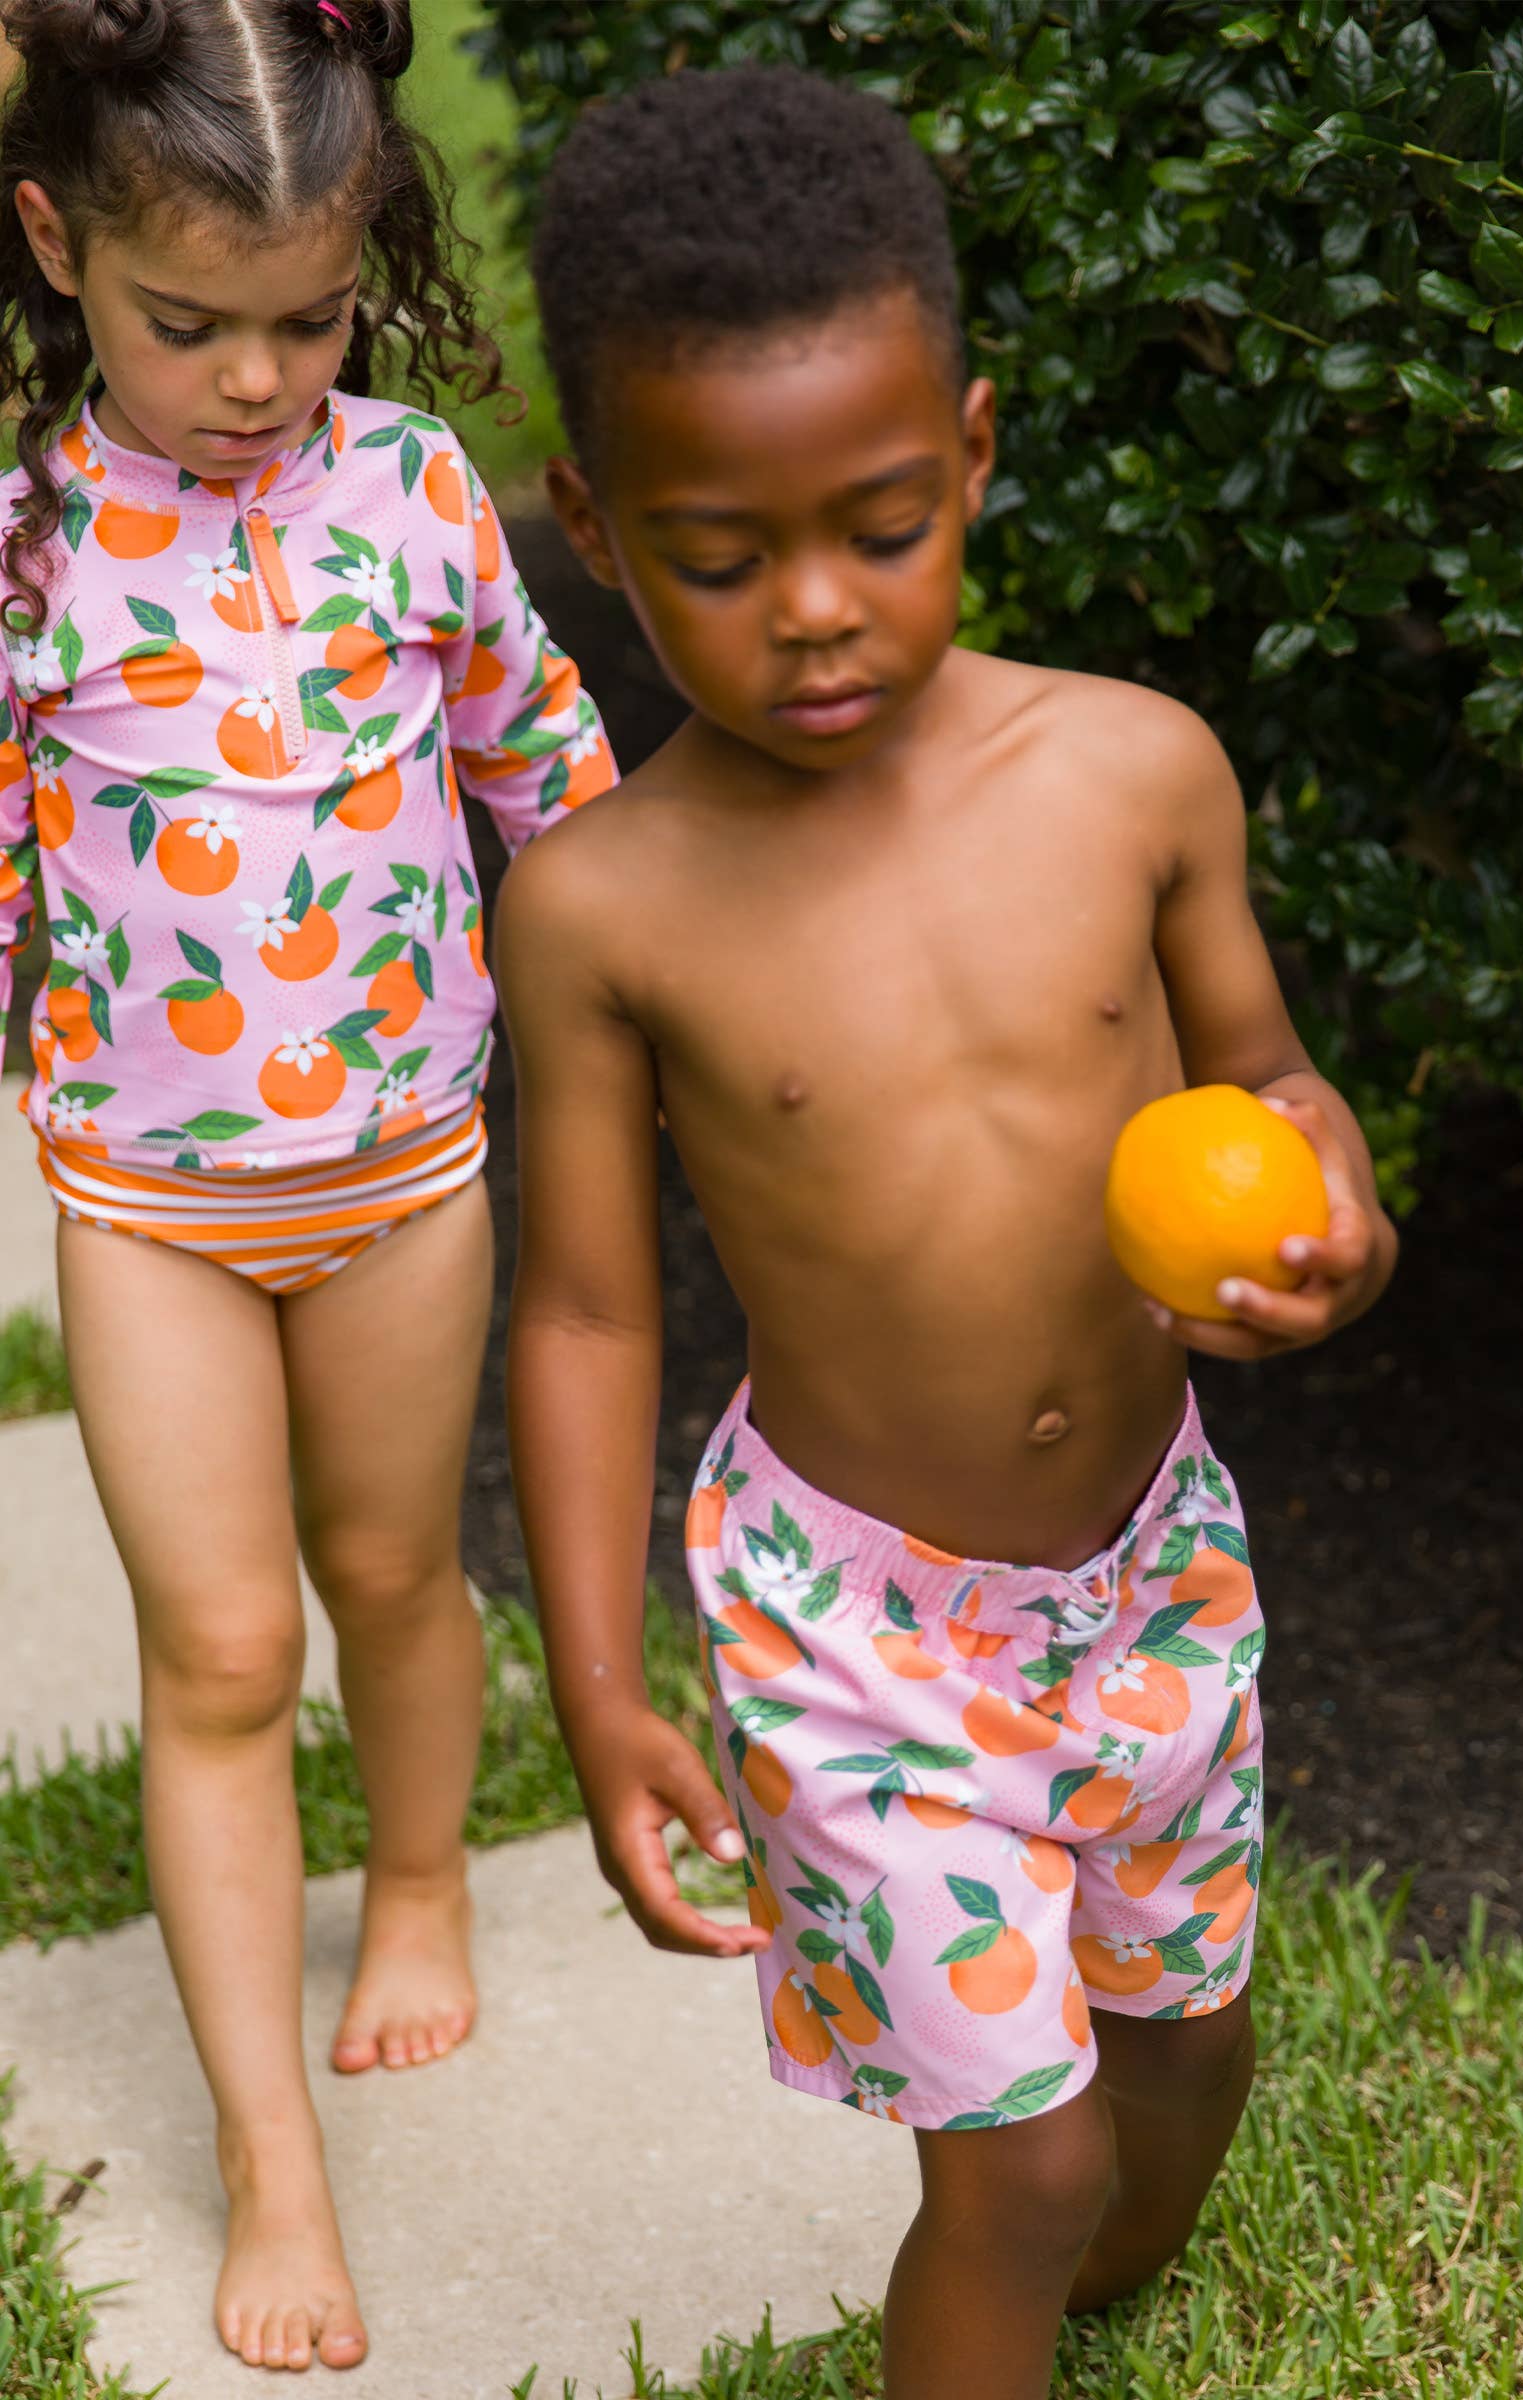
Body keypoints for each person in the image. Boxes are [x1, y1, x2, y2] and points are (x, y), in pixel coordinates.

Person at [502, 63, 1395, 2400]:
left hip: (1152, 1566)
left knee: (1179, 2063)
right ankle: (1012, 2264)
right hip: (860, 1637)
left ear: (972, 455)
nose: (816, 611)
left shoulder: (1131, 772)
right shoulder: (606, 909)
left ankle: (1088, 2270)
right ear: (596, 522)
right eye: (722, 560)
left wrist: (1337, 1222)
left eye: (884, 528)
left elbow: (1275, 1085)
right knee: (1018, 2172)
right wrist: (599, 1686)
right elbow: (585, 1309)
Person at [0, 0, 613, 2372]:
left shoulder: (419, 494)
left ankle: (425, 1878)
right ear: (56, 244)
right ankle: (272, 2154)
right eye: (189, 325)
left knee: (389, 1574)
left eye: (312, 318)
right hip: (149, 1203)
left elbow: (543, 768)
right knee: (228, 1654)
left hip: (405, 1174)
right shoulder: (33, 547)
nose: (256, 378)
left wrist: (668, 991)